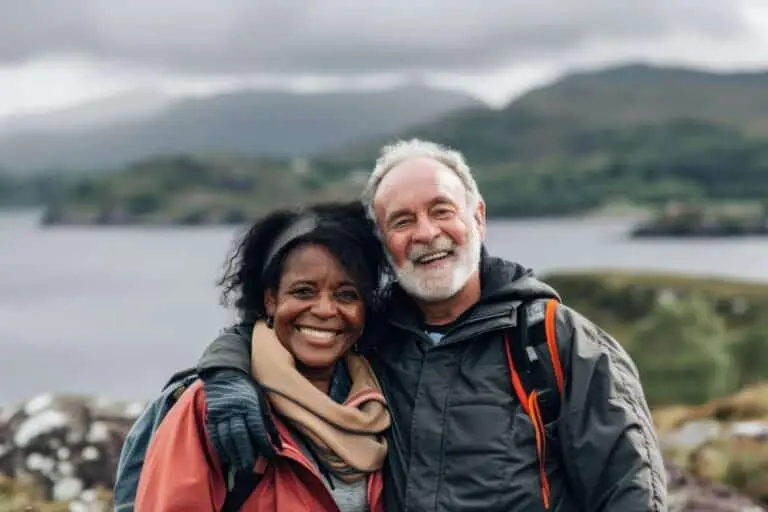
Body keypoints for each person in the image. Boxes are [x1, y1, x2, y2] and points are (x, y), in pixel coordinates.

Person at [195, 139, 668, 511]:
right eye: (402, 221)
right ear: (385, 244)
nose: (426, 233)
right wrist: (227, 370)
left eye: (441, 210)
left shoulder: (554, 342)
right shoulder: (372, 337)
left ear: (477, 218)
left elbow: (630, 492)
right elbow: (284, 330)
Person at [134, 201, 391, 511]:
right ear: (270, 300)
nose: (325, 310)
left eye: (346, 295)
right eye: (304, 292)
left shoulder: (381, 404)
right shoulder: (211, 406)